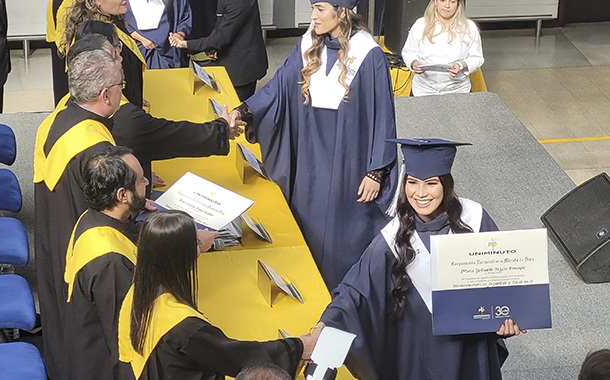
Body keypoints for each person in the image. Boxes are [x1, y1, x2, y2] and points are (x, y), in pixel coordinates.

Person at [317, 138, 526, 380]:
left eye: (431, 184)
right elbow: (356, 292)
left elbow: (503, 279)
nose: (420, 193)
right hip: (417, 351)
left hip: (469, 345)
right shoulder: (393, 236)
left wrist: (510, 318)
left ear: (446, 185)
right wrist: (324, 326)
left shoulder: (475, 218)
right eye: (413, 182)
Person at [229, 0, 398, 290]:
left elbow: (383, 114)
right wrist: (243, 111)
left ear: (341, 11)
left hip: (350, 165)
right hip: (309, 160)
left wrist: (376, 172)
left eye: (320, 9)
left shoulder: (369, 54)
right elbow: (276, 87)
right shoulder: (308, 45)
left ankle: (344, 302)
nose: (312, 16)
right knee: (308, 228)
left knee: (342, 241)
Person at [118, 211, 319, 380]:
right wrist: (298, 347)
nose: (199, 251)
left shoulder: (138, 290)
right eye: (195, 244)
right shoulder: (185, 327)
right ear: (181, 257)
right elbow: (237, 356)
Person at [33, 43, 124, 380]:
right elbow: (115, 207)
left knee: (59, 322)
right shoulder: (94, 147)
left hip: (54, 235)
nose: (121, 91)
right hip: (85, 249)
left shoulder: (60, 116)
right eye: (119, 86)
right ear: (105, 94)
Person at [72, 20, 243, 194]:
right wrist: (221, 130)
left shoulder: (74, 103)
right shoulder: (125, 119)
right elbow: (173, 135)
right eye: (115, 54)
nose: (121, 58)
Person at [62, 146, 148, 380]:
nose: (147, 182)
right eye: (141, 181)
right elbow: (124, 337)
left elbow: (130, 233)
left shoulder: (91, 218)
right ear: (122, 195)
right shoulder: (110, 263)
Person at [170, 0, 268, 101]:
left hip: (243, 67)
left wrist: (186, 44)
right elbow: (221, 26)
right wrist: (211, 46)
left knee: (237, 109)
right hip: (232, 58)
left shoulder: (239, 2)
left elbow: (221, 38)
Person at [61, 0, 147, 108]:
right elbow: (94, 87)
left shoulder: (114, 22)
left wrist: (136, 96)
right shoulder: (93, 35)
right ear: (97, 1)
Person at [401, 0, 484, 96]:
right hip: (422, 91)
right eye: (443, 0)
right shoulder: (420, 24)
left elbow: (477, 58)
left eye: (452, 2)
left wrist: (462, 65)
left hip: (458, 91)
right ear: (435, 1)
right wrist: (413, 63)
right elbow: (408, 52)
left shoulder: (469, 27)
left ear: (458, 4)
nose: (447, 6)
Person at [125, 0, 192, 69]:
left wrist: (180, 34)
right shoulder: (124, 3)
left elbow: (184, 17)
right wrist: (141, 39)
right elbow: (118, 22)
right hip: (137, 51)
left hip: (167, 51)